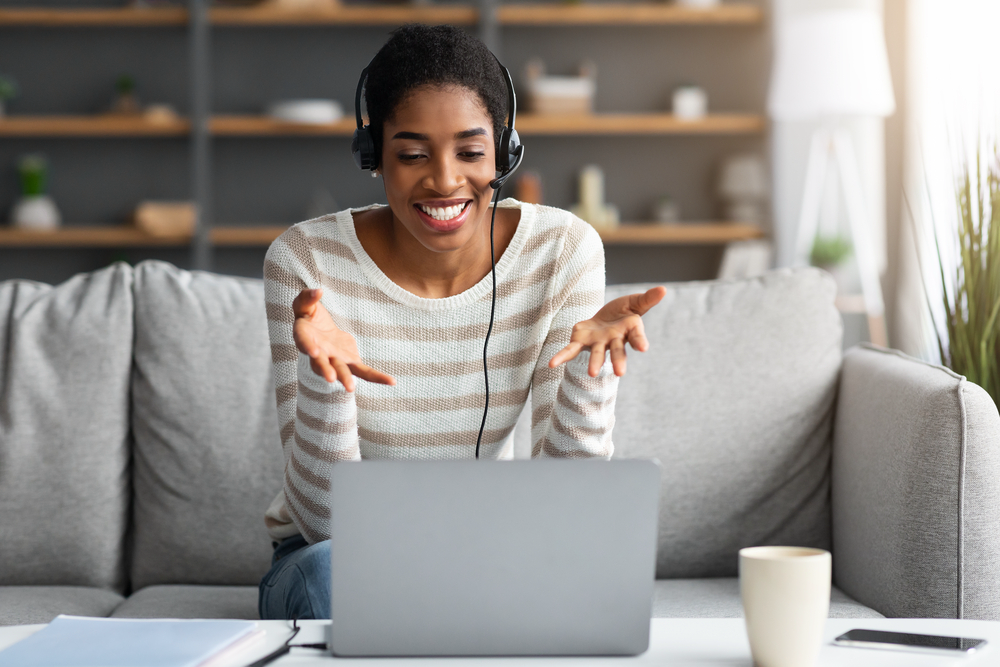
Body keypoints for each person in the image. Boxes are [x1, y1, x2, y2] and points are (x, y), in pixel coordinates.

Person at [258, 23, 666, 621]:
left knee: (581, 580)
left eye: (471, 152)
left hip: (488, 545)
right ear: (373, 156)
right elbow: (324, 527)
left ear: (504, 152)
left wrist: (587, 372)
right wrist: (326, 382)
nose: (445, 180)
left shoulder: (561, 250)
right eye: (412, 154)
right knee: (331, 575)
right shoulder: (306, 262)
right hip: (328, 558)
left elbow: (566, 508)